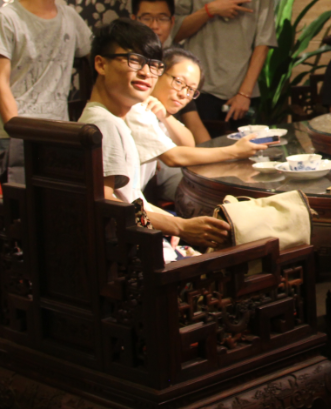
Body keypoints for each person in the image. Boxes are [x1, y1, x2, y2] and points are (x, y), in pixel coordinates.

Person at [78, 18, 231, 258]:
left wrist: (171, 224)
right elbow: (106, 205)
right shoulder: (105, 123)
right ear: (101, 64)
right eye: (134, 60)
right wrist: (179, 226)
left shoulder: (114, 119)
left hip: (147, 247)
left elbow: (132, 202)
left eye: (153, 65)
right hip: (139, 261)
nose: (146, 73)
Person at [0, 0, 92, 182]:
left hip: (59, 132)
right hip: (16, 134)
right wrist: (17, 131)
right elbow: (0, 82)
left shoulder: (70, 17)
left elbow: (93, 58)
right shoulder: (6, 18)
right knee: (20, 202)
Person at [125, 46, 272, 204]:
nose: (183, 94)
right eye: (178, 82)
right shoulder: (138, 107)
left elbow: (189, 144)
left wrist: (166, 116)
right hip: (126, 204)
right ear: (157, 73)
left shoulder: (158, 110)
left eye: (191, 90)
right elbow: (172, 157)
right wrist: (234, 151)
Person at [133, 0, 211, 144]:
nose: (154, 26)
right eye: (147, 18)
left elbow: (194, 125)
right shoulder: (129, 67)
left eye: (162, 18)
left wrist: (214, 155)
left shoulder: (176, 64)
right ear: (134, 20)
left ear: (172, 21)